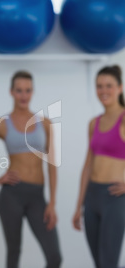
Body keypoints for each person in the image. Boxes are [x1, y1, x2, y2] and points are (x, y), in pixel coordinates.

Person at [0, 71, 62, 268]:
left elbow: (52, 166)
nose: (24, 95)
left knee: (54, 256)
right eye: (19, 91)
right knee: (14, 252)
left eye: (28, 90)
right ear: (11, 92)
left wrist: (52, 202)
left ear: (32, 92)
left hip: (37, 197)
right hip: (11, 196)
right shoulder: (1, 124)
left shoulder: (45, 124)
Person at [73, 65, 125, 268]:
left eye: (109, 86)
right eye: (99, 86)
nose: (104, 91)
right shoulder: (94, 123)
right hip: (92, 197)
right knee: (98, 262)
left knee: (108, 262)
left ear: (120, 88)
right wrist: (79, 206)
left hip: (114, 197)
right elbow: (87, 166)